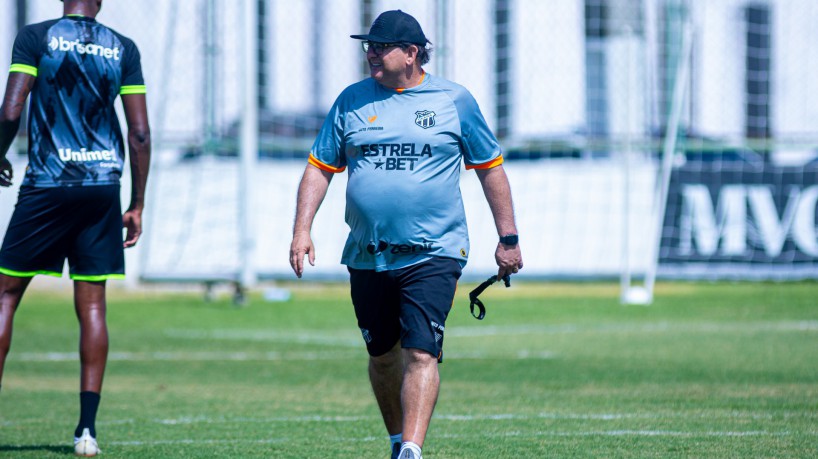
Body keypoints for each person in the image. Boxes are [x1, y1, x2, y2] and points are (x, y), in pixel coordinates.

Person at [289, 10, 522, 459]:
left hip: (434, 250)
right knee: (381, 355)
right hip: (367, 253)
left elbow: (490, 169)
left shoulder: (455, 100)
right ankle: (398, 439)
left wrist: (507, 238)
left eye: (380, 46)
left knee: (420, 353)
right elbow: (320, 168)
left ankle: (411, 451)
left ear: (412, 53)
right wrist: (302, 230)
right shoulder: (352, 100)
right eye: (368, 47)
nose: (371, 54)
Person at [0, 0, 150, 456]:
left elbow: (11, 109)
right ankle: (87, 432)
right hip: (102, 185)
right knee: (92, 303)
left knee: (6, 294)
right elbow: (140, 134)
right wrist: (137, 202)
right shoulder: (123, 47)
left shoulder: (36, 37)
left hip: (48, 182)